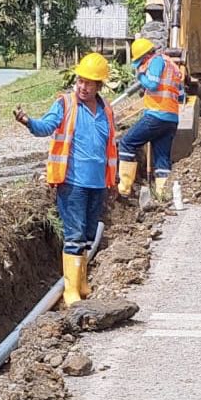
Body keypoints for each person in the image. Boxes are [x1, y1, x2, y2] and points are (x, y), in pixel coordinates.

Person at [13, 52, 117, 305]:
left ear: (99, 85)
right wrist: (28, 121)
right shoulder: (65, 104)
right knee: (75, 235)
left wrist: (112, 181)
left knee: (89, 235)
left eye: (89, 83)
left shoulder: (106, 110)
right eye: (80, 81)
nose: (82, 87)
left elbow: (110, 146)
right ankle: (71, 290)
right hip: (72, 183)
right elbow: (46, 127)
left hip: (97, 183)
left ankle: (81, 282)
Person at [117, 38, 185, 199]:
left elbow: (153, 85)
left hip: (156, 115)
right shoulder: (172, 66)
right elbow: (181, 96)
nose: (141, 65)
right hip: (171, 119)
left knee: (126, 143)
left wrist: (141, 77)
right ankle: (162, 195)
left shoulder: (156, 61)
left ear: (146, 56)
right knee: (162, 158)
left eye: (141, 62)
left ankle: (124, 189)